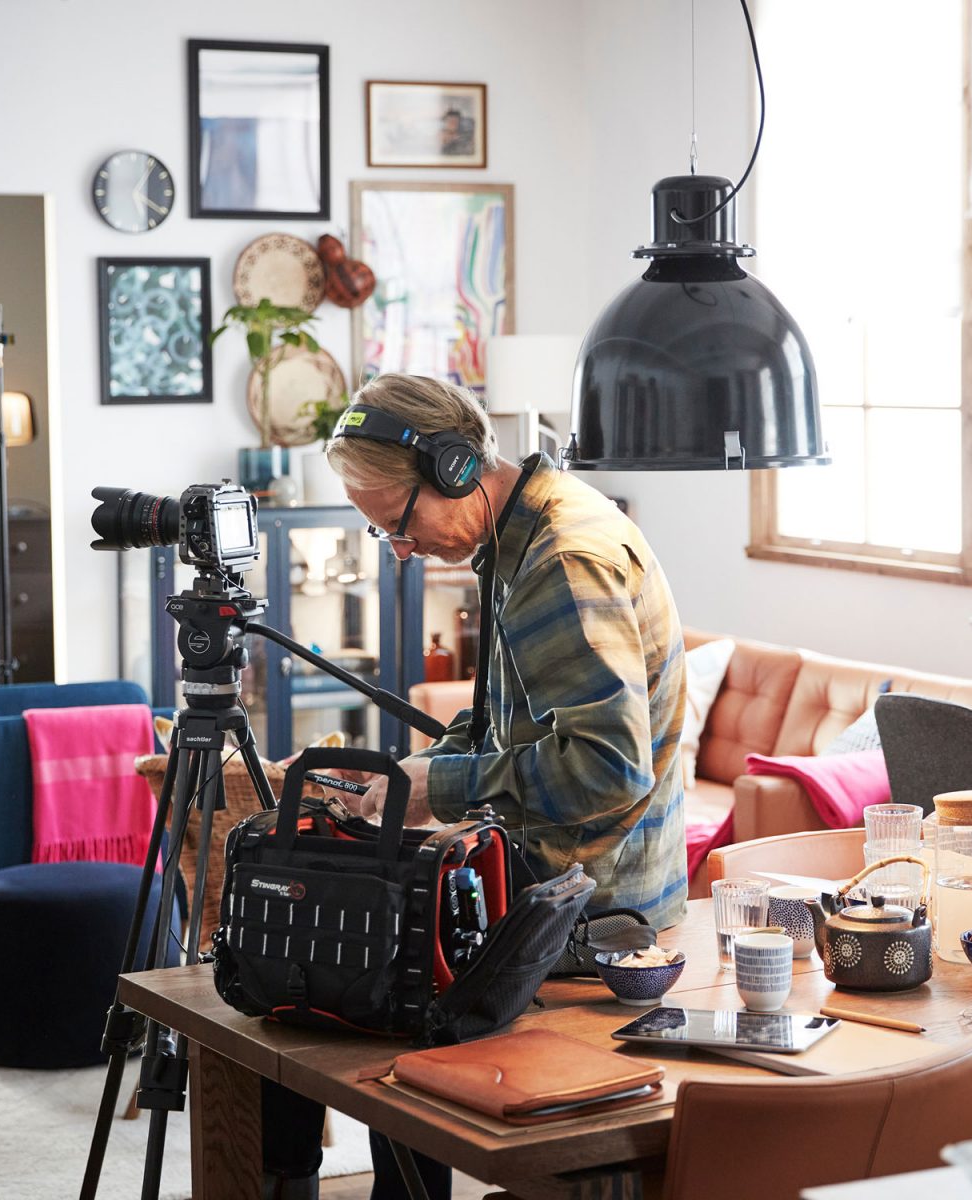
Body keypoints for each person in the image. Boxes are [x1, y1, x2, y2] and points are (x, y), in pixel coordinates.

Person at [262, 372, 689, 1200]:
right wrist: (403, 777)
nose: (398, 547)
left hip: (593, 914)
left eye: (398, 521)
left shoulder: (562, 560)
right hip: (562, 885)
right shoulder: (519, 535)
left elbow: (608, 766)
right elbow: (506, 721)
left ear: (457, 468)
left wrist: (442, 790)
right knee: (352, 978)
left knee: (352, 993)